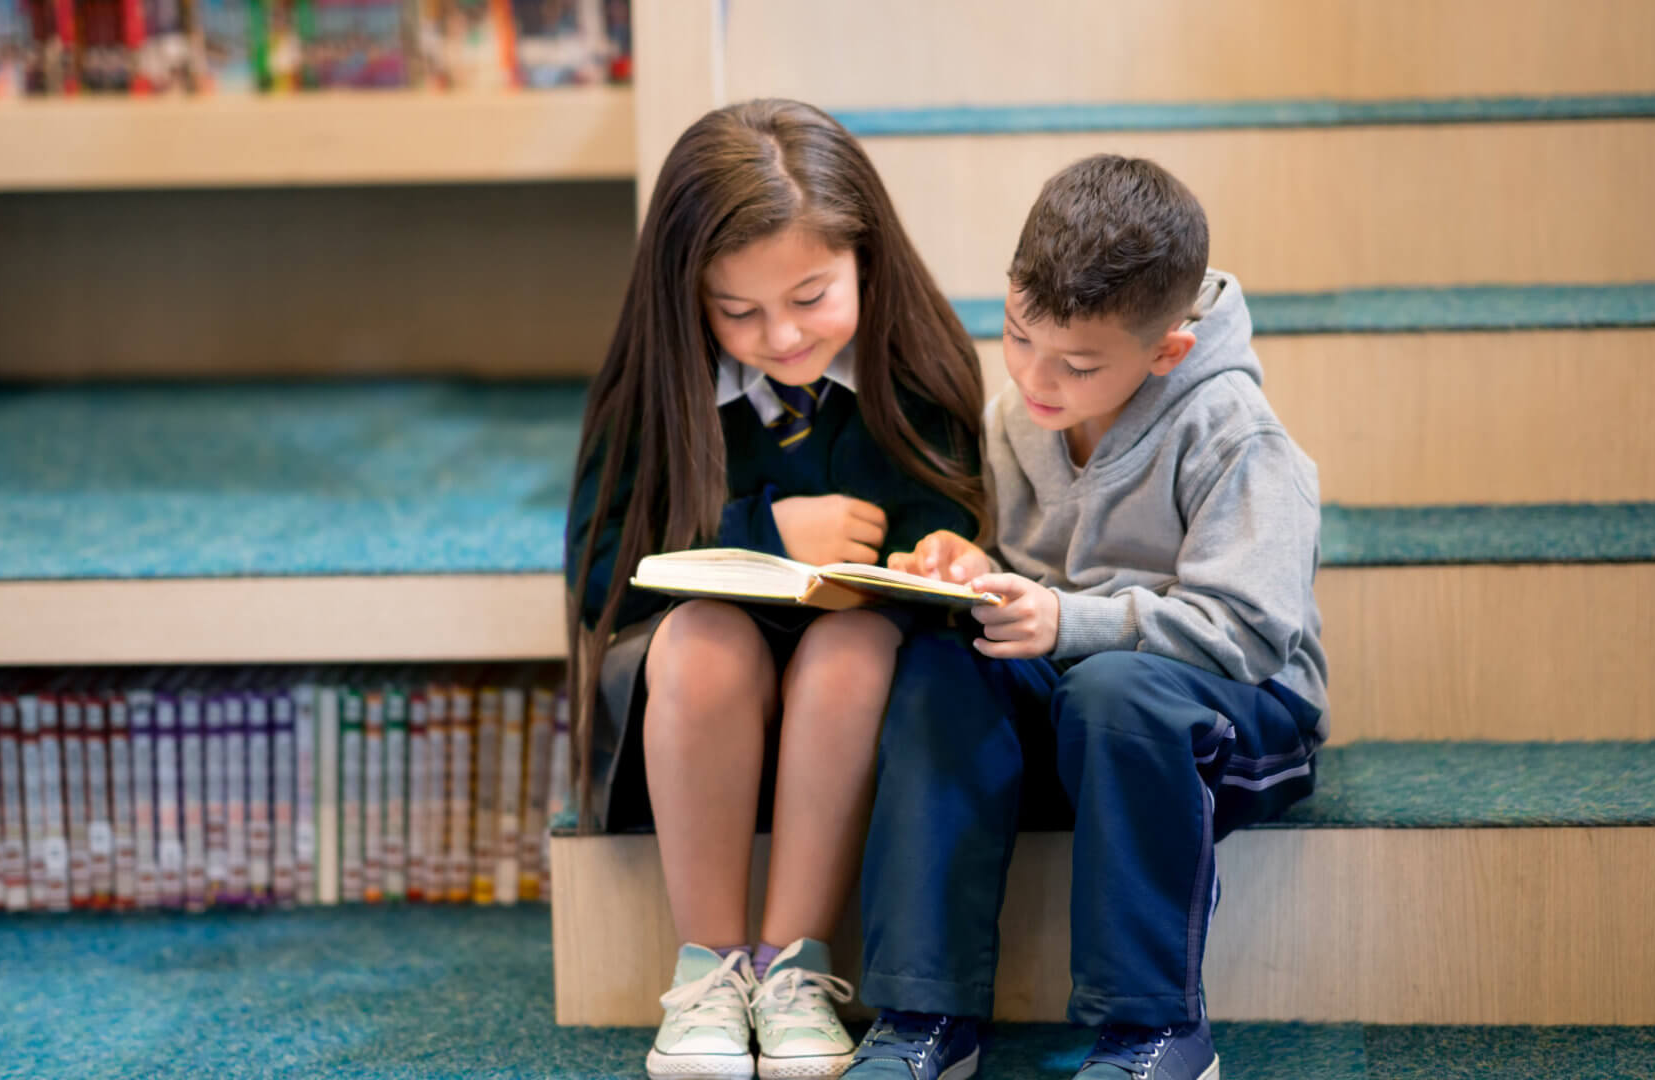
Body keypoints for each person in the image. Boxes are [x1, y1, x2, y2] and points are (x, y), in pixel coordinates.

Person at [848, 154, 1329, 1080]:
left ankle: (1157, 1030)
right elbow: (1033, 587)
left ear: (1167, 351)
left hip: (1238, 715)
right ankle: (922, 1015)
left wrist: (1071, 625)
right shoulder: (1017, 415)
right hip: (1080, 704)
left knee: (1117, 690)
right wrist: (973, 570)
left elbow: (1252, 631)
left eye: (1076, 364)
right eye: (1018, 335)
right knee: (944, 666)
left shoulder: (1237, 434)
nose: (1036, 377)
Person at [563, 98, 989, 1080]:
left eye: (811, 297)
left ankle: (796, 965)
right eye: (739, 311)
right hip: (696, 691)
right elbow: (599, 574)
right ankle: (710, 970)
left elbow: (949, 519)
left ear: (866, 263)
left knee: (857, 644)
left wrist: (939, 558)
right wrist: (762, 535)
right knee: (708, 639)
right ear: (688, 297)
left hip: (857, 680)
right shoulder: (654, 384)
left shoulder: (915, 368)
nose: (783, 337)